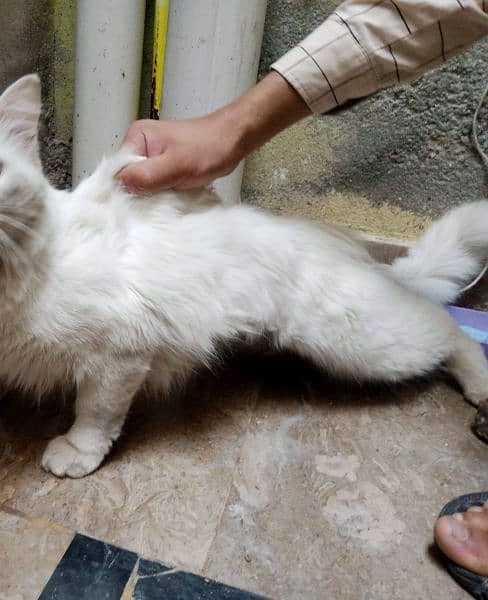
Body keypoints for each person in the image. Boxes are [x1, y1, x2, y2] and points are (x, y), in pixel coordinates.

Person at [117, 2, 488, 597]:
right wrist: (227, 133)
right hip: (285, 266)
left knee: (372, 349)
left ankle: (449, 341)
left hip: (308, 284)